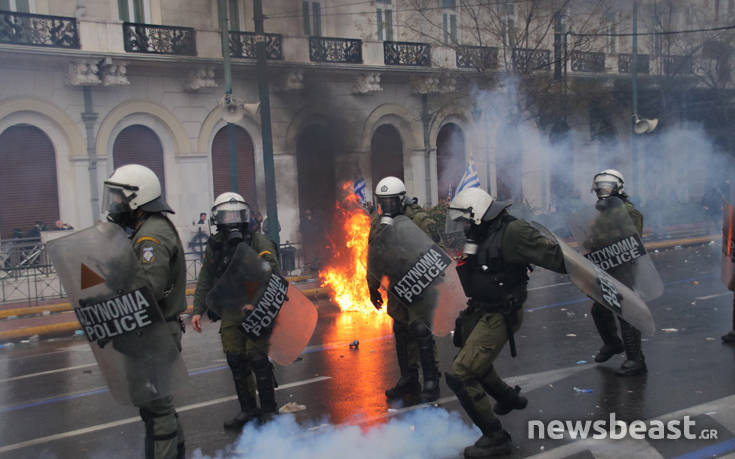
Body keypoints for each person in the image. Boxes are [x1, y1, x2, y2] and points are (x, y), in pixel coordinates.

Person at [446, 187, 567, 457]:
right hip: (480, 308)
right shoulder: (478, 234)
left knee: (462, 372)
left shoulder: (513, 233)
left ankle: (496, 436)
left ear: (477, 215)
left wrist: (587, 272)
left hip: (501, 313)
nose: (462, 227)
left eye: (465, 220)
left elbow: (556, 258)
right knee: (469, 356)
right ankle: (507, 398)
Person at [102, 164, 186, 459]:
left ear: (137, 199)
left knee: (157, 408)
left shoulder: (151, 236)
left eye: (118, 197)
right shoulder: (141, 230)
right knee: (156, 405)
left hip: (155, 332)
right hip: (148, 331)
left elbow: (148, 289)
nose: (114, 203)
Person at [191, 192, 280, 430]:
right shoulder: (216, 246)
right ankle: (248, 410)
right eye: (226, 215)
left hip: (258, 307)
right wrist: (197, 310)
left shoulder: (258, 240)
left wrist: (257, 301)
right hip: (231, 308)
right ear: (217, 219)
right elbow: (206, 277)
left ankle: (269, 412)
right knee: (235, 359)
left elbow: (271, 272)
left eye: (235, 214)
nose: (231, 220)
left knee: (257, 358)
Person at [367, 176, 442, 403]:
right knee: (401, 330)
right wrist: (372, 287)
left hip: (420, 285)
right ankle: (409, 378)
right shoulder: (378, 223)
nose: (387, 207)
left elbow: (435, 251)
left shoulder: (419, 220)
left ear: (402, 200)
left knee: (421, 329)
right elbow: (373, 256)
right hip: (397, 286)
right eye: (383, 202)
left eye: (391, 201)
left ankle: (431, 378)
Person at [585, 169, 647, 376]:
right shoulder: (603, 214)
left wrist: (604, 242)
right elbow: (593, 240)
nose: (602, 192)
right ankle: (613, 343)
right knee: (599, 310)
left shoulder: (629, 212)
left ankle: (636, 360)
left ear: (618, 188)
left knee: (625, 312)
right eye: (599, 188)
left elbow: (631, 239)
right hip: (605, 267)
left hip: (624, 268)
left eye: (606, 187)